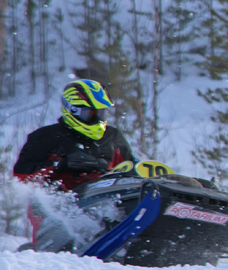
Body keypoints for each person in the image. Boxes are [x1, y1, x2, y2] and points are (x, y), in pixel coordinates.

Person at [14, 79, 136, 251]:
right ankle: (52, 250)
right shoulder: (45, 137)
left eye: (101, 114)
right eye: (90, 114)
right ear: (72, 110)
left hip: (104, 200)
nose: (97, 120)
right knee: (42, 200)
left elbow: (130, 168)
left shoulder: (113, 137)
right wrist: (59, 165)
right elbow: (21, 176)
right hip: (60, 203)